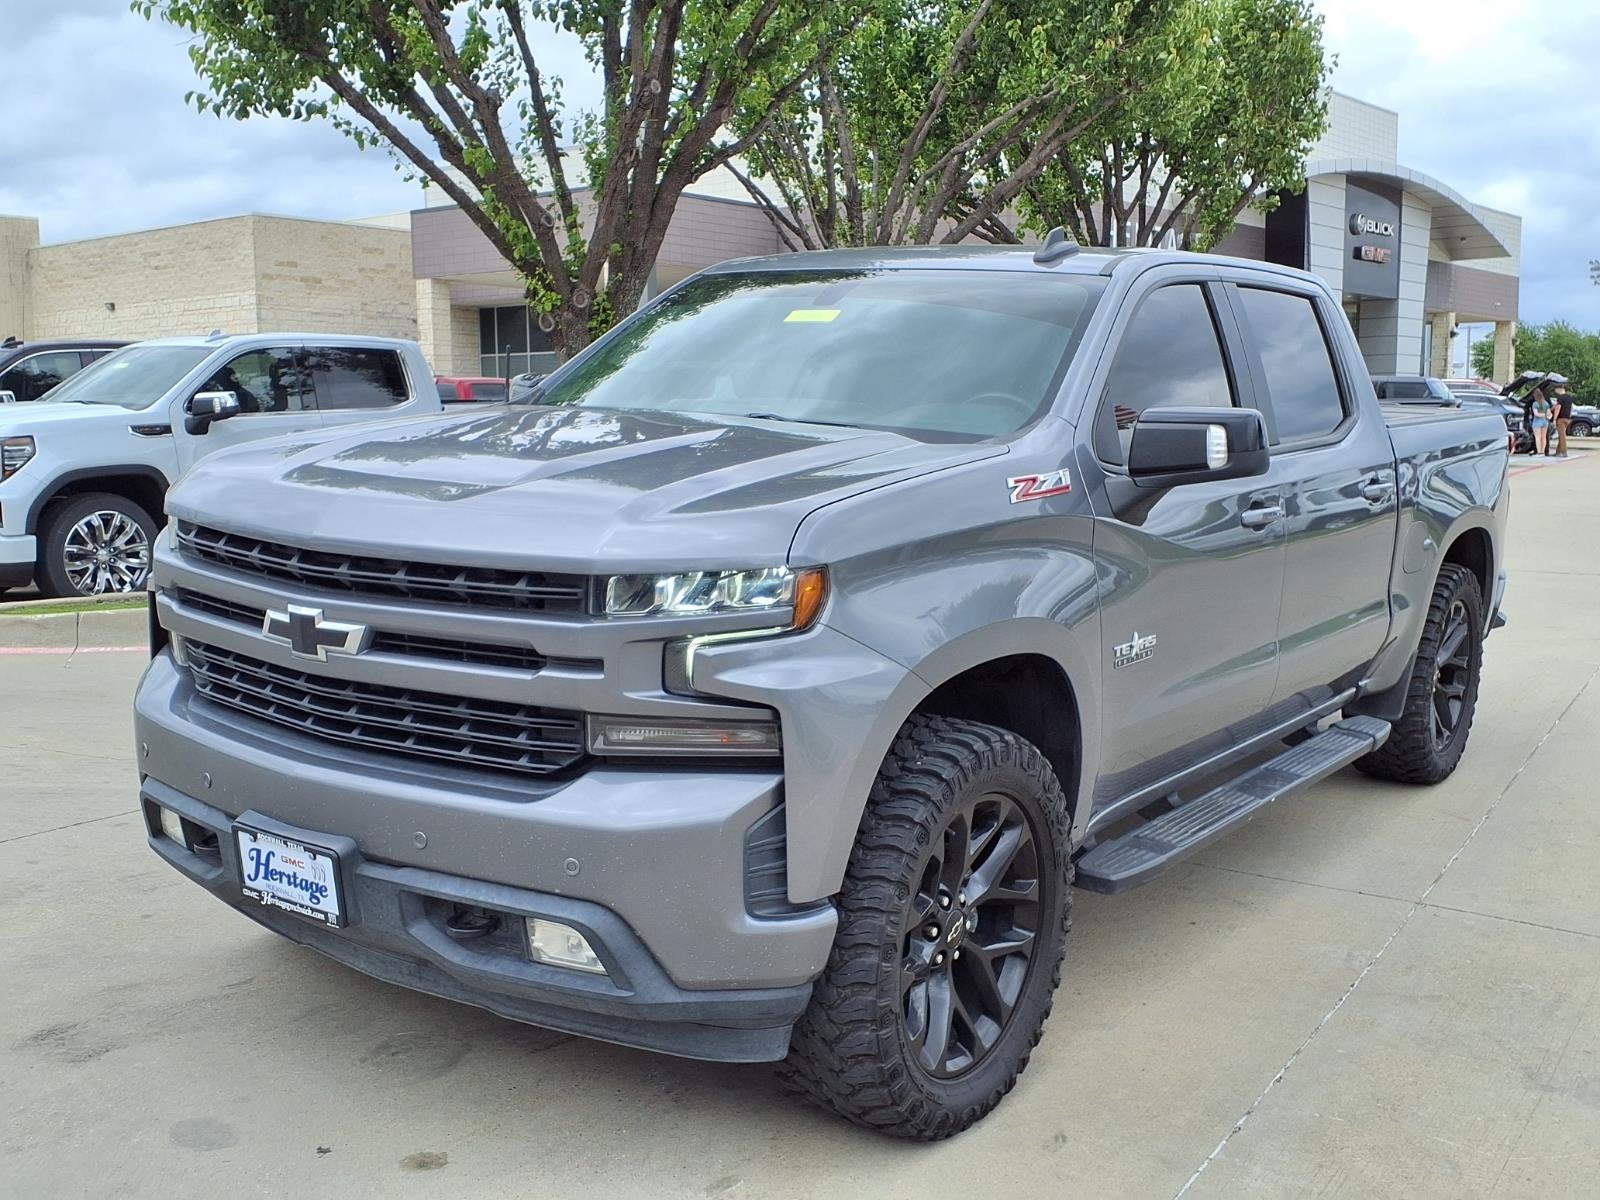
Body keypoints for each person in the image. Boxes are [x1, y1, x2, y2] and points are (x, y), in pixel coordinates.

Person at [1528, 387, 1552, 456]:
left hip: (1537, 421)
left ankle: (1539, 452)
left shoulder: (1535, 404)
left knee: (1537, 437)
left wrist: (1543, 415)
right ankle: (1543, 451)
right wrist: (1547, 416)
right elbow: (1549, 413)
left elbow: (1536, 414)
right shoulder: (1546, 403)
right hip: (1545, 422)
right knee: (1544, 437)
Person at [1553, 384, 1573, 456]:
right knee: (1562, 435)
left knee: (1562, 436)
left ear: (1559, 389)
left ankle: (1564, 452)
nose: (1555, 392)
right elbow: (1571, 408)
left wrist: (1554, 418)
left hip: (1561, 419)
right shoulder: (1569, 397)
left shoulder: (1560, 398)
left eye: (1555, 390)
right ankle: (1558, 452)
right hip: (1567, 419)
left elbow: (1558, 408)